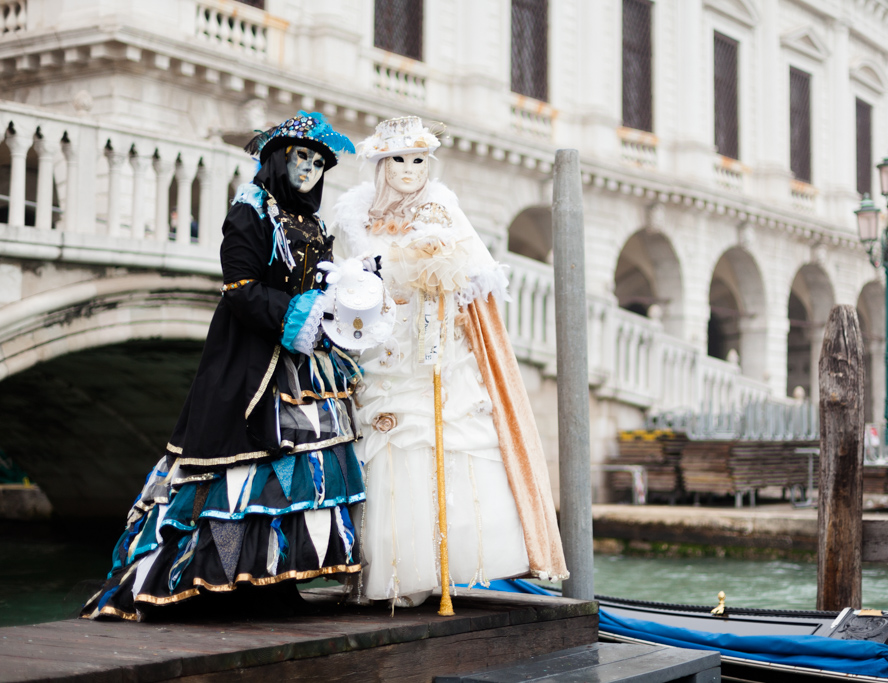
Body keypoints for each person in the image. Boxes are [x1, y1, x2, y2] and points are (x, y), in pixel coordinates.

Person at [82, 112, 384, 620]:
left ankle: (274, 576)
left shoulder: (312, 221)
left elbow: (313, 284)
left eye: (317, 162)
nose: (308, 169)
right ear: (277, 160)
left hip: (305, 363)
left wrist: (345, 296)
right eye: (300, 158)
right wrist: (299, 313)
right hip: (251, 358)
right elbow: (240, 287)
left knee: (299, 470)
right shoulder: (251, 210)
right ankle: (223, 577)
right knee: (242, 463)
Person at [331, 116, 568, 608]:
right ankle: (388, 570)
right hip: (378, 348)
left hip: (430, 349)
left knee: (434, 440)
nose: (410, 170)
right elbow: (345, 280)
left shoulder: (442, 209)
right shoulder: (354, 217)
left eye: (419, 160)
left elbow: (477, 278)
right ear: (379, 164)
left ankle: (432, 570)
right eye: (399, 159)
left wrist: (439, 275)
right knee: (383, 445)